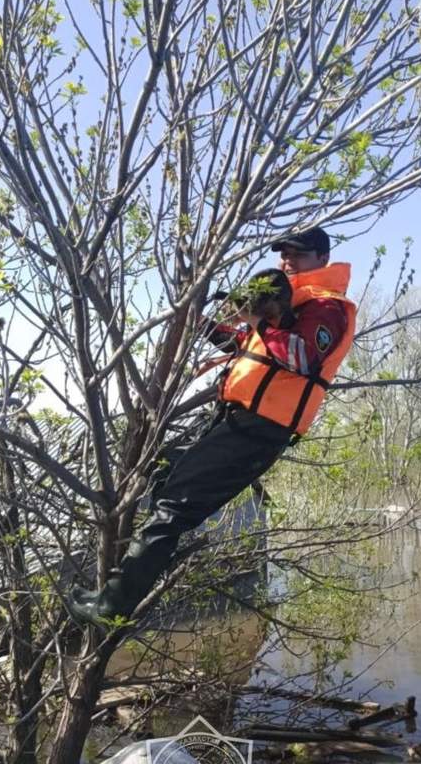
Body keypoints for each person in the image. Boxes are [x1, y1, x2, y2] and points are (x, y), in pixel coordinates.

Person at [67, 226, 357, 631]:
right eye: (284, 254)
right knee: (163, 467)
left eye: (299, 255)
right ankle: (126, 579)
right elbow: (245, 345)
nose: (288, 261)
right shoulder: (287, 306)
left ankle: (114, 605)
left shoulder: (328, 307)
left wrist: (261, 318)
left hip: (261, 427)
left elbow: (300, 356)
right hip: (235, 419)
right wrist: (198, 321)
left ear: (322, 259)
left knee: (173, 508)